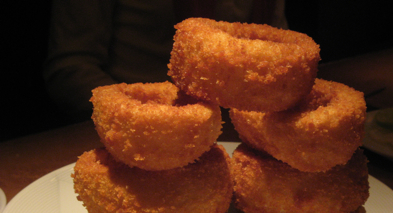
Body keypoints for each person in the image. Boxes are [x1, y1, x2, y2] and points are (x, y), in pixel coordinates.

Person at [43, 0, 288, 123]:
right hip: (134, 128)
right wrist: (137, 116)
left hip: (246, 129)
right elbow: (71, 66)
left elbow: (281, 54)